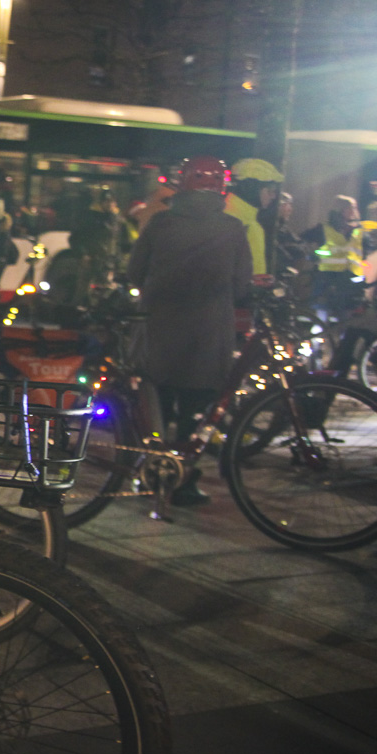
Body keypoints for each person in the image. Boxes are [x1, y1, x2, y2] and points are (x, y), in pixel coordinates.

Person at [127, 155, 252, 507]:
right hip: (208, 332)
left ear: (182, 183)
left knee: (158, 404)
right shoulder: (232, 228)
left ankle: (151, 471)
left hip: (159, 327)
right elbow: (242, 286)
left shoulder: (159, 224)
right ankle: (183, 481)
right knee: (195, 412)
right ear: (221, 187)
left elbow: (135, 272)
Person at [301, 194, 367, 318]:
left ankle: (340, 336)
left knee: (346, 311)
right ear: (340, 209)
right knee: (323, 309)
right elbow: (302, 241)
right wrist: (313, 255)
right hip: (327, 276)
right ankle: (319, 335)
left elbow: (364, 249)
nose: (353, 211)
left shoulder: (359, 230)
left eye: (354, 207)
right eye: (349, 207)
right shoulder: (324, 229)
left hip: (350, 276)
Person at [225, 157, 284, 278]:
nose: (273, 196)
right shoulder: (233, 221)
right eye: (270, 191)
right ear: (252, 188)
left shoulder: (249, 221)